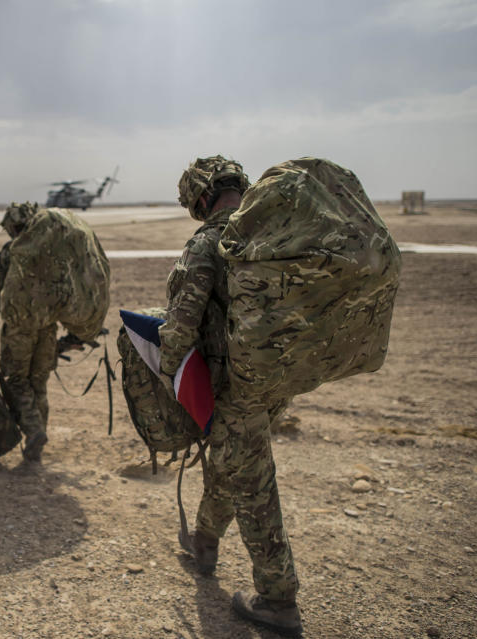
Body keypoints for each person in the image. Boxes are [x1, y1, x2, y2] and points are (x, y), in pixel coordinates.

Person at [158, 156, 302, 637]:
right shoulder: (272, 234)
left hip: (235, 387)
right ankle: (203, 542)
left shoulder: (207, 242)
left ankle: (278, 600)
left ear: (201, 197)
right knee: (230, 463)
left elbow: (180, 324)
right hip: (275, 380)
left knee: (253, 483)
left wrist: (168, 372)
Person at [0, 202, 55, 462]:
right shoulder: (51, 254)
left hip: (18, 331)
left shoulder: (6, 256)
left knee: (17, 382)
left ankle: (34, 431)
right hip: (48, 329)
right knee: (38, 383)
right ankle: (37, 443)